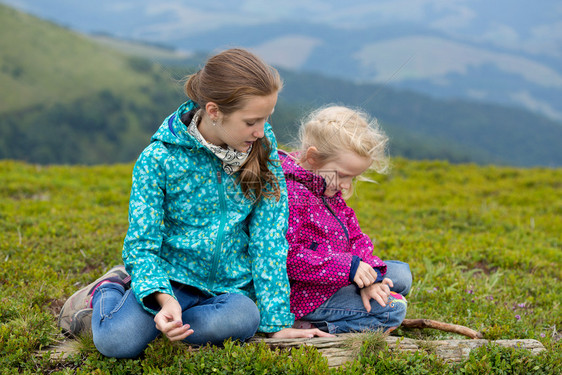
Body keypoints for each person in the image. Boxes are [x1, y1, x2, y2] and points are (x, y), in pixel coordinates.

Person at [57, 48, 329, 359]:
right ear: (214, 111)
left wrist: (277, 322)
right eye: (252, 121)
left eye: (267, 118)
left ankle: (166, 329)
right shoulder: (159, 159)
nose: (261, 130)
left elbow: (269, 240)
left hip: (227, 292)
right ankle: (108, 288)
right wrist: (163, 298)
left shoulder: (262, 147)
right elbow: (142, 244)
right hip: (169, 280)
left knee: (245, 318)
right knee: (117, 342)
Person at [279, 105, 412, 334]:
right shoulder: (291, 194)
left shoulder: (327, 188)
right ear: (312, 158)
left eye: (353, 178)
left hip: (335, 276)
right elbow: (287, 258)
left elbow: (355, 237)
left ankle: (360, 293)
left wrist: (371, 278)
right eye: (342, 175)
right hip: (303, 295)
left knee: (401, 274)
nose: (346, 186)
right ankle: (309, 324)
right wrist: (349, 269)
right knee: (394, 308)